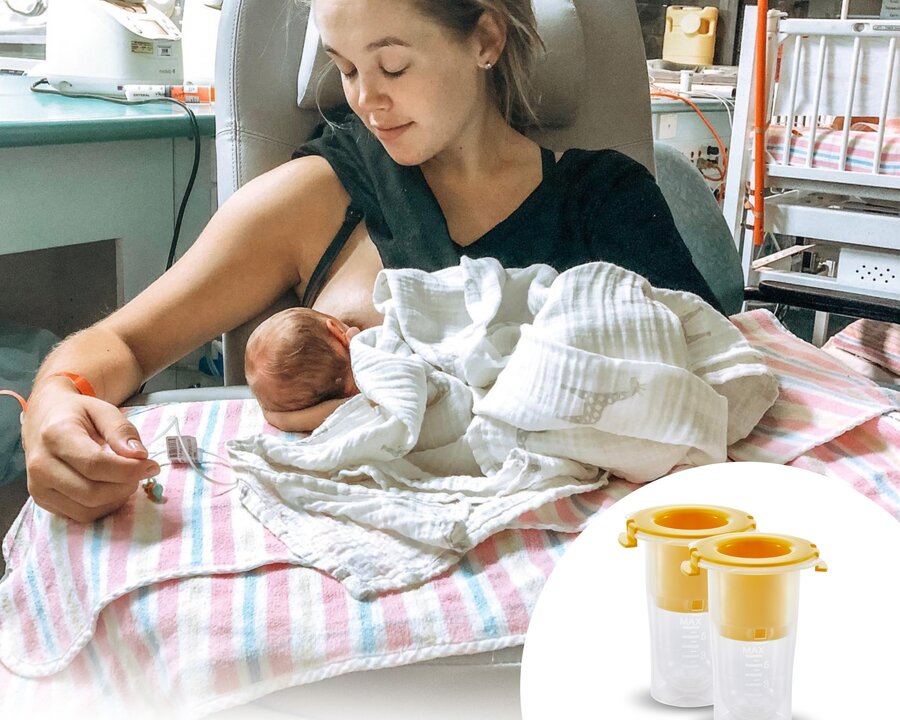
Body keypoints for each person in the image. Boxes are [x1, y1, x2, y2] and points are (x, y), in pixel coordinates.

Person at [21, 0, 720, 523]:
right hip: (370, 563)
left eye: (391, 65)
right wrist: (54, 404)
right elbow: (120, 343)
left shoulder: (608, 199)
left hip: (574, 558)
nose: (365, 98)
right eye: (346, 67)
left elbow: (714, 380)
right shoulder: (319, 196)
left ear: (485, 39)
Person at [245, 308, 360, 432]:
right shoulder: (372, 349)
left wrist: (281, 419)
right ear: (336, 331)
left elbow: (342, 409)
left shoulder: (361, 408)